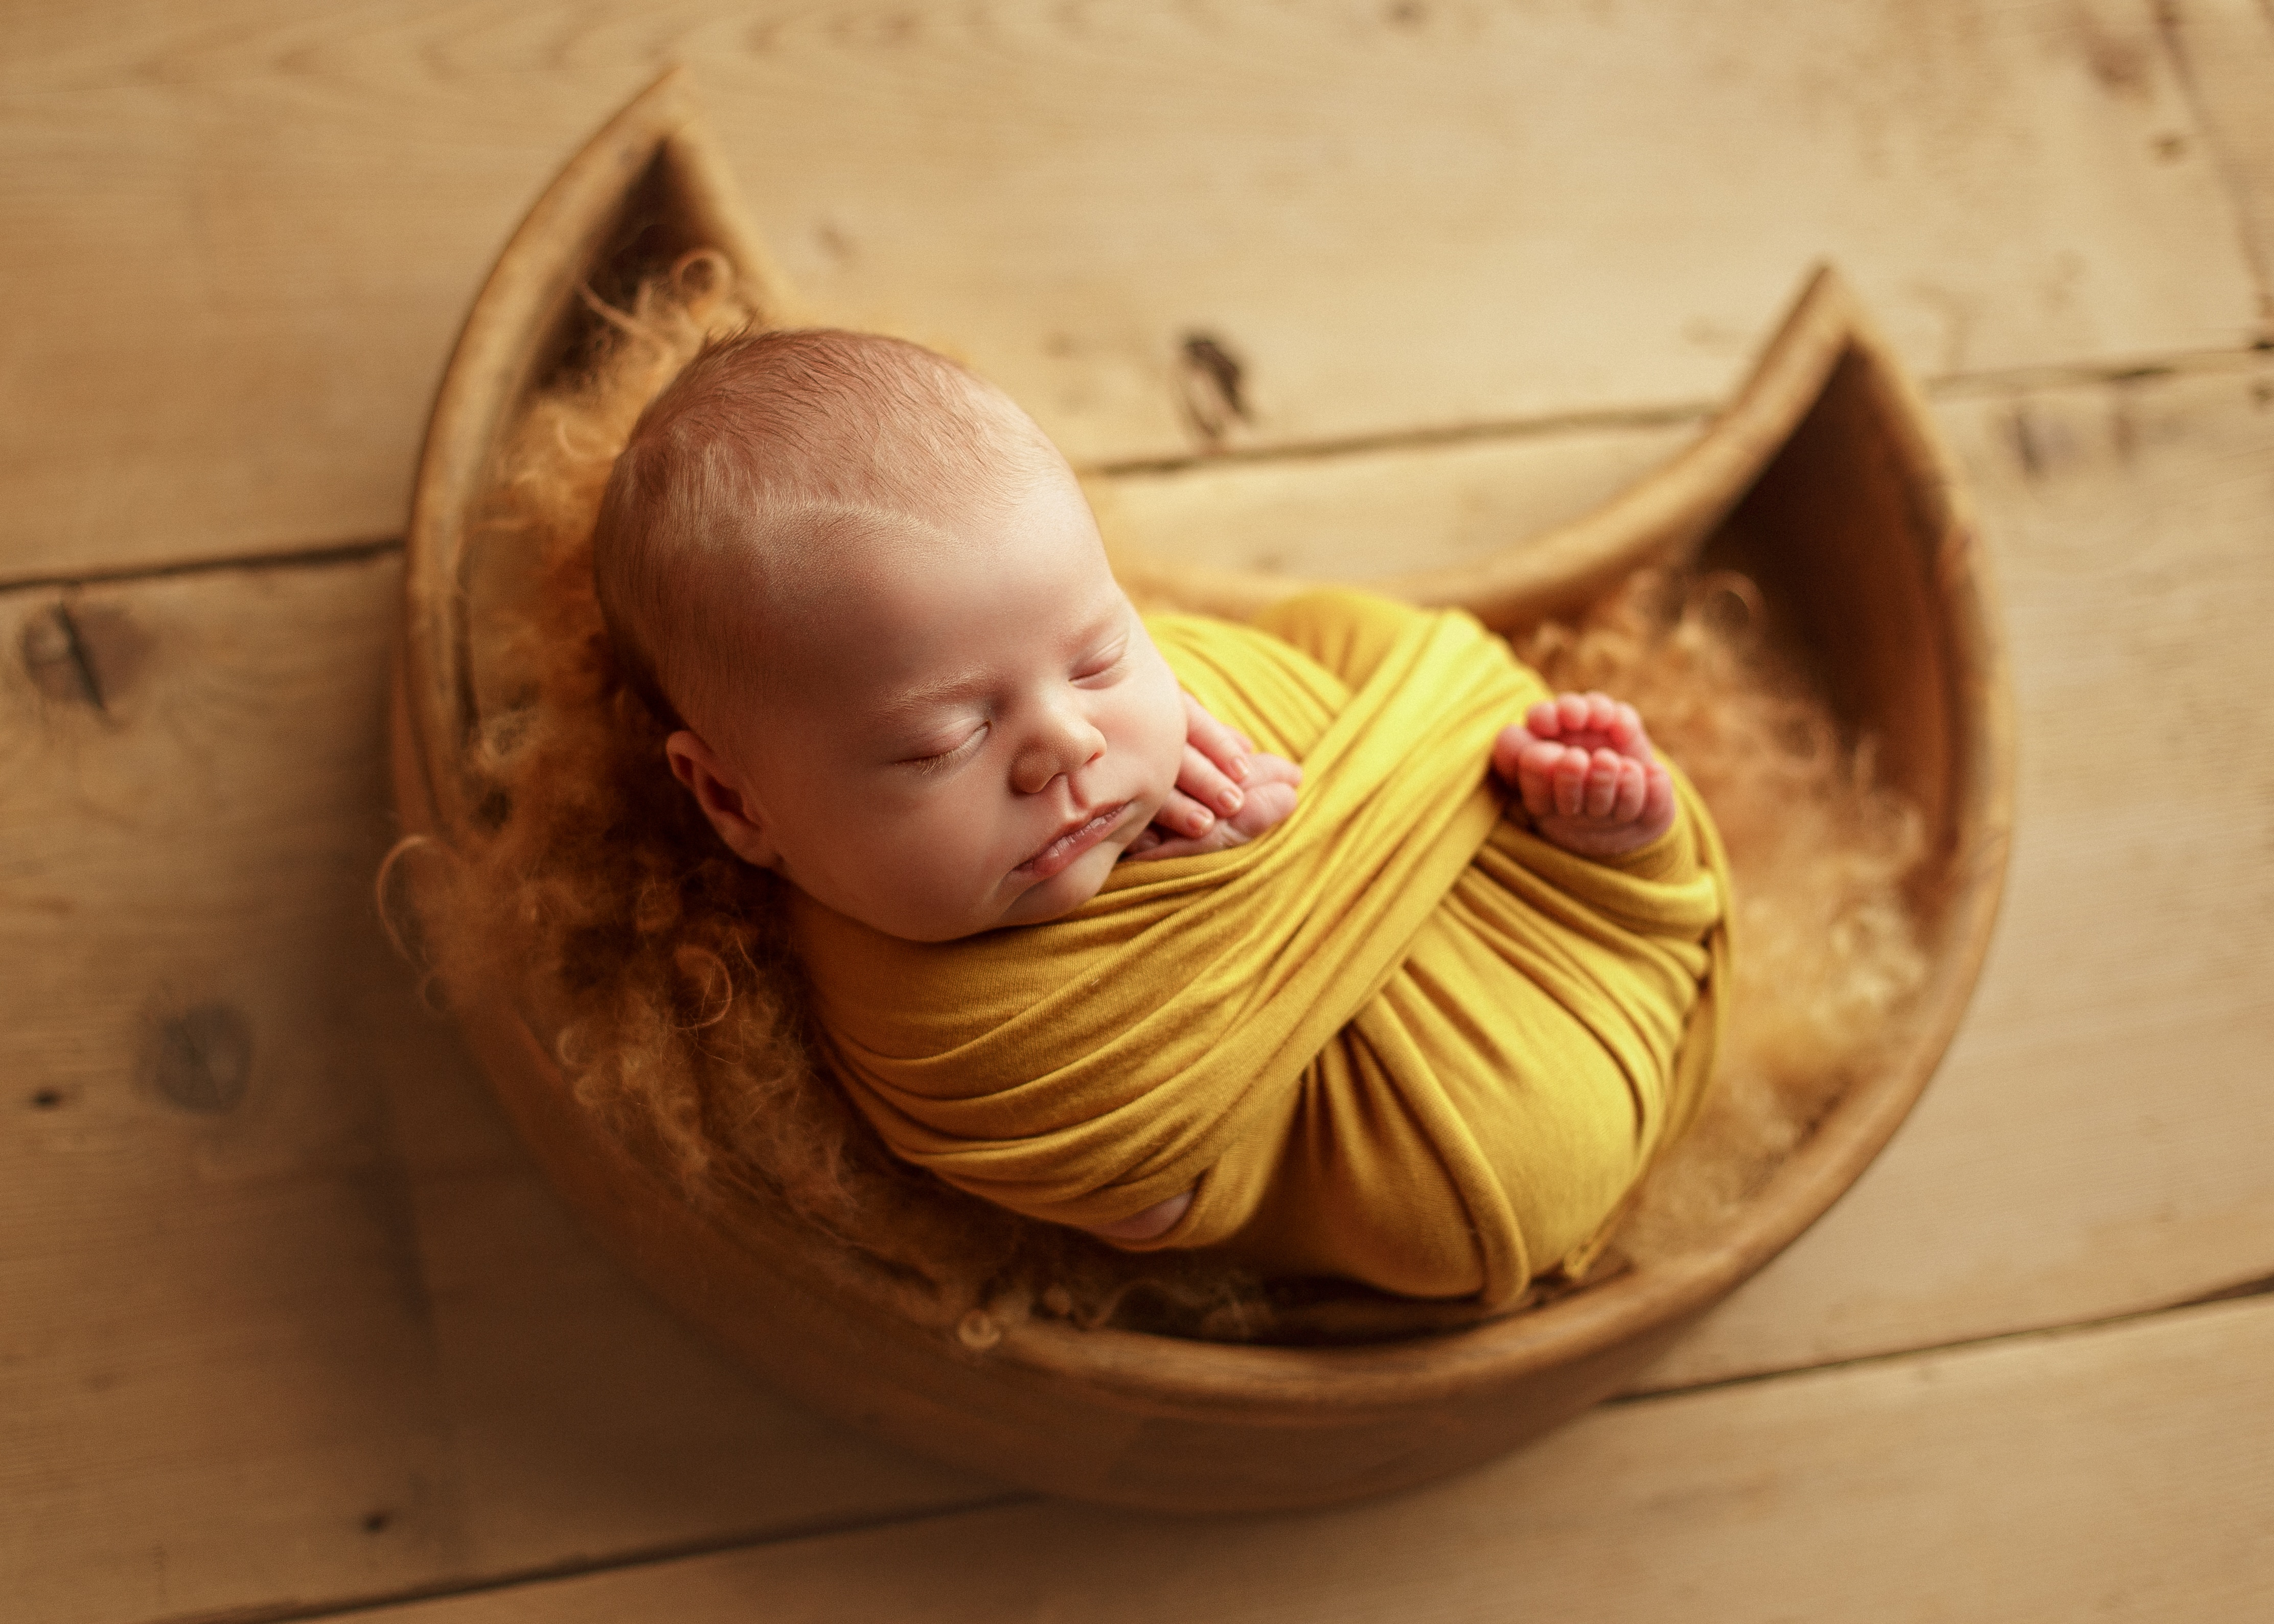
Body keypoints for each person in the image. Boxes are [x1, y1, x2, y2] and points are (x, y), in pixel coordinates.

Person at [592, 327, 1727, 1306]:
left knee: (1337, 635)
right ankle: (1622, 890)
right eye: (945, 740)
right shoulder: (934, 1035)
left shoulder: (1125, 717)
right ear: (739, 799)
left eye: (1095, 650)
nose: (1069, 744)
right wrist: (1234, 891)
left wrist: (1204, 716)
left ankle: (1612, 856)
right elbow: (1150, 1194)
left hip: (1526, 914)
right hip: (1447, 1151)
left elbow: (1261, 667)